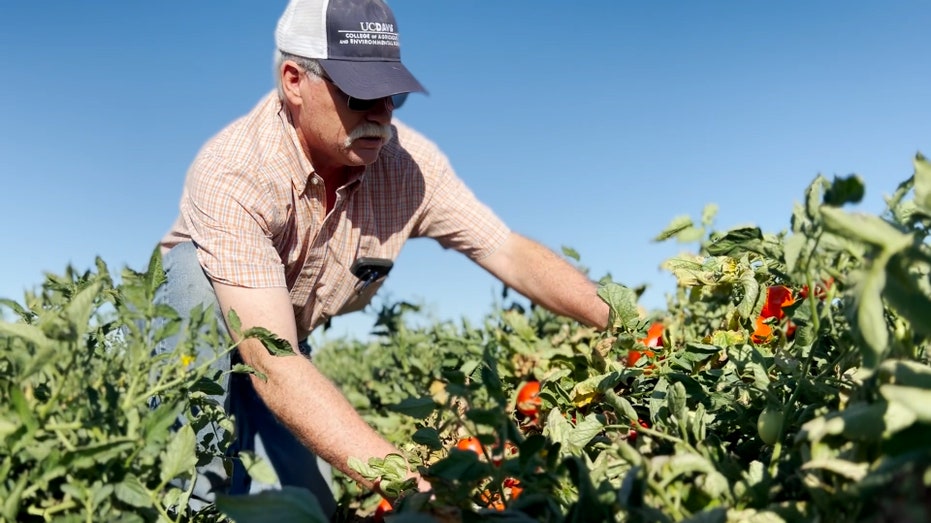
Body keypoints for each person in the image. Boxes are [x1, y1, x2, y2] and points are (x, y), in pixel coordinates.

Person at [156, 0, 610, 515]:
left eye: (392, 93)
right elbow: (272, 361)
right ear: (293, 80)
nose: (381, 112)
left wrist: (621, 321)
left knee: (315, 506)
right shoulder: (236, 171)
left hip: (286, 340)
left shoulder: (409, 167)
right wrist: (413, 489)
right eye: (360, 93)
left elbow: (506, 251)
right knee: (201, 480)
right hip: (201, 346)